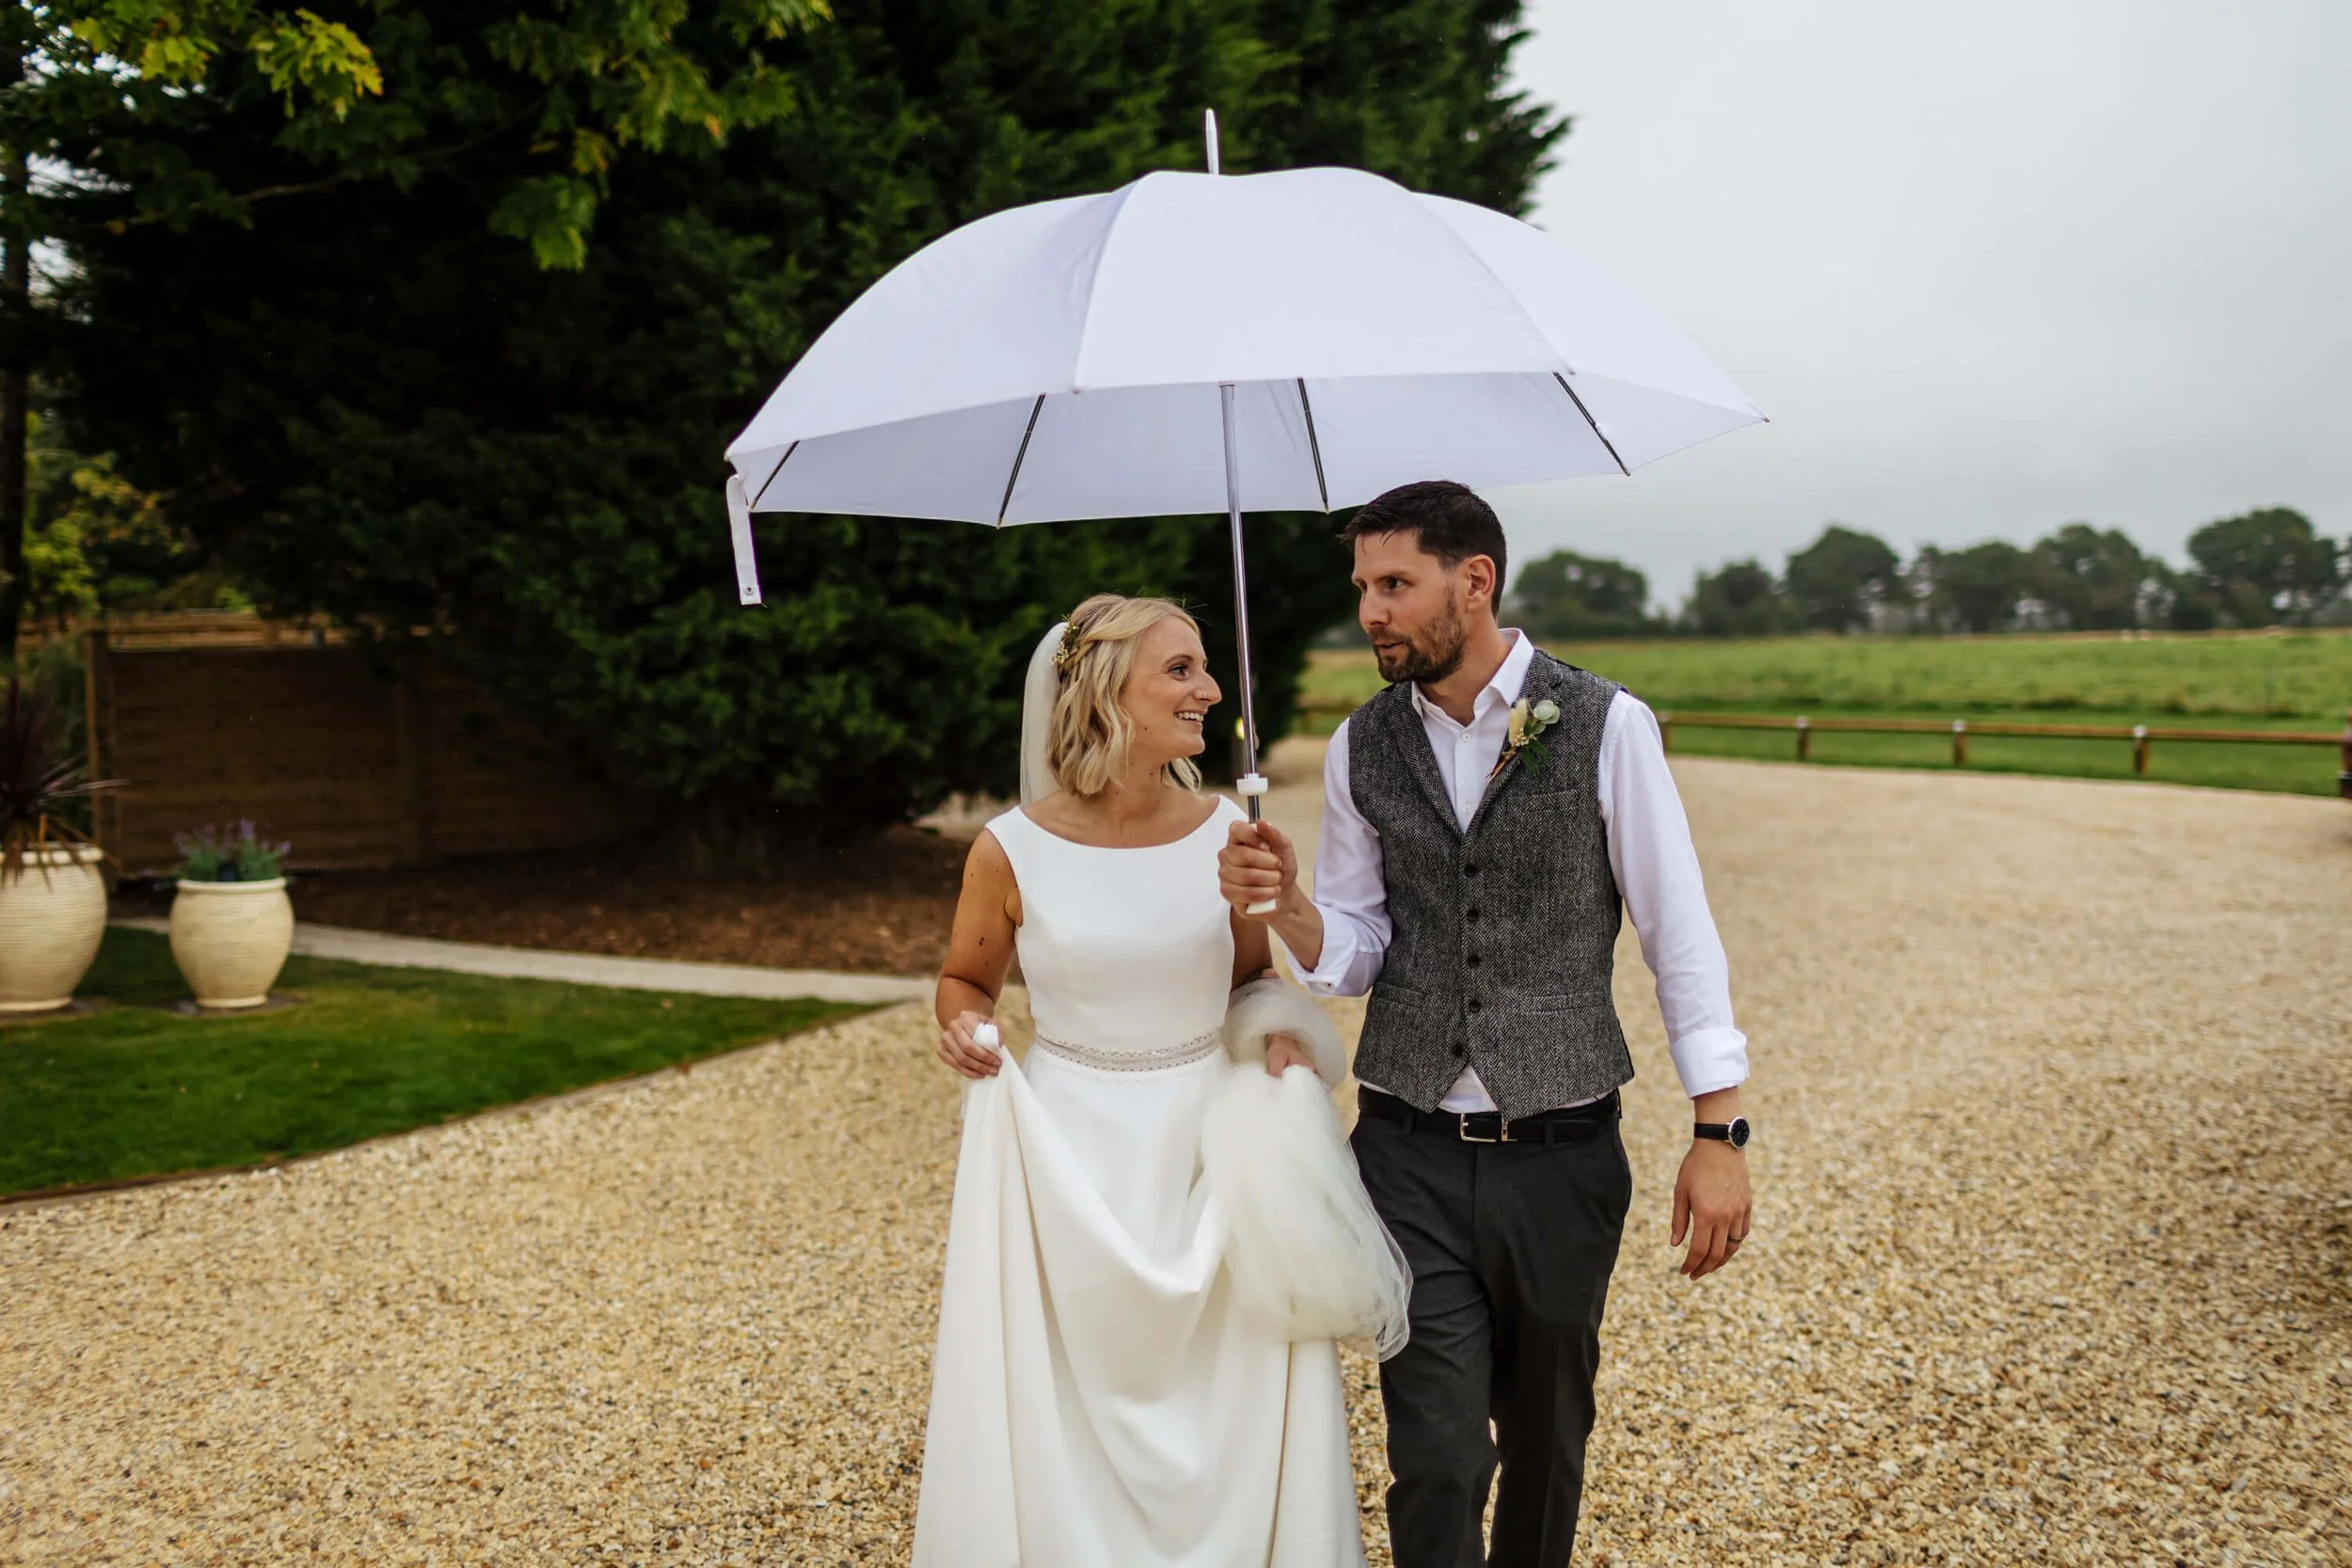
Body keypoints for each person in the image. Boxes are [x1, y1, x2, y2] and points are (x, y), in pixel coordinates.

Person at [1218, 481, 1756, 1568]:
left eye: (1393, 584)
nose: (1369, 610)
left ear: (1475, 580)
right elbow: (1358, 949)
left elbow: (1678, 932)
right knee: (1439, 1452)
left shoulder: (1607, 722)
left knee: (1550, 1438)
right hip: (1404, 1147)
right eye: (1362, 586)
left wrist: (1719, 1129)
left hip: (1559, 1154)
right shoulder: (1358, 744)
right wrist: (1288, 904)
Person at [914, 593, 1407, 1568]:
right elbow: (964, 979)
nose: (1209, 688)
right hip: (1066, 1157)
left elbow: (1253, 982)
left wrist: (1278, 1041)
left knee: (1231, 1397)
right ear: (1106, 690)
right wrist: (965, 1026)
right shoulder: (1007, 847)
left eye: (1205, 666)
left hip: (1206, 1157)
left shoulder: (1228, 832)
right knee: (1066, 1395)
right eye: (1180, 669)